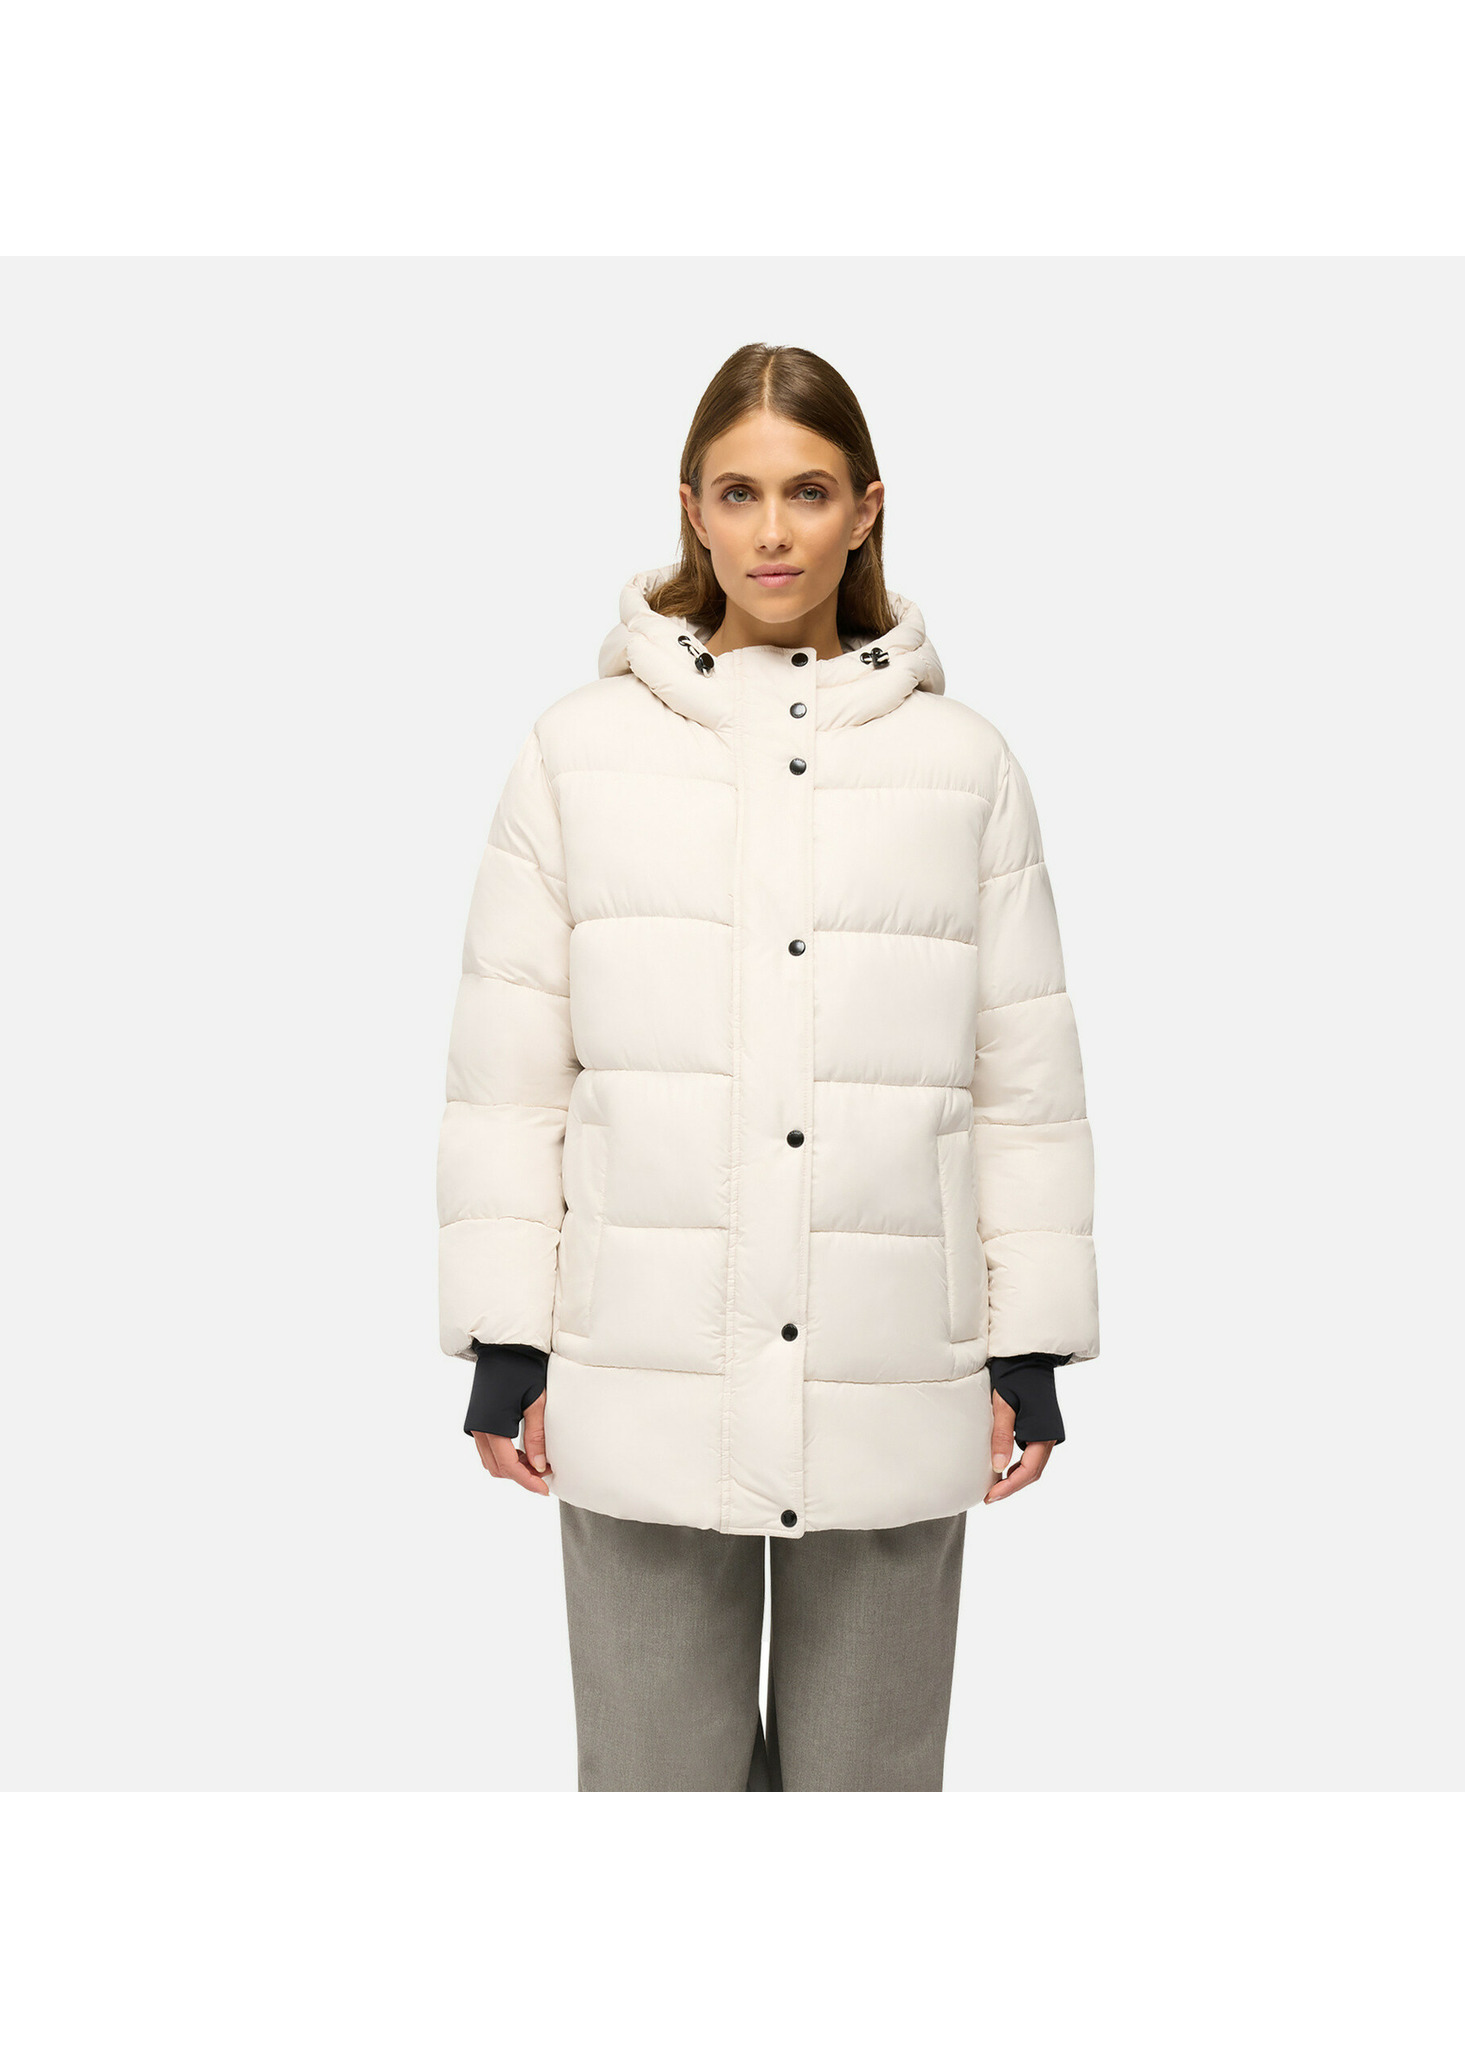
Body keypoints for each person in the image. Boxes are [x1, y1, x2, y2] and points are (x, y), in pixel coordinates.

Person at [436, 343, 1099, 1790]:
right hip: (641, 1367)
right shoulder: (577, 753)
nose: (774, 531)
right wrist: (508, 1339)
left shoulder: (965, 766)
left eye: (808, 491)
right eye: (739, 493)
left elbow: (1024, 1081)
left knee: (867, 1803)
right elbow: (511, 1071)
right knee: (653, 1798)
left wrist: (1027, 1348)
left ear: (867, 507)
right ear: (691, 508)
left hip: (893, 1369)